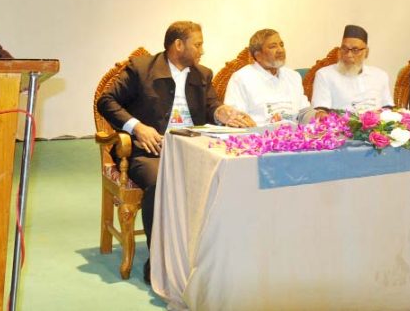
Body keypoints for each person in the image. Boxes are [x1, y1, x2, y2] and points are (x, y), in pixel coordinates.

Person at [96, 20, 252, 284]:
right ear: (178, 45)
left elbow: (212, 105)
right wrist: (137, 128)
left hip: (192, 150)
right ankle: (158, 259)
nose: (203, 50)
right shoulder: (141, 69)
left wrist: (220, 112)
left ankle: (204, 255)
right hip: (150, 151)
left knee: (226, 175)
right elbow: (106, 101)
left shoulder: (202, 74)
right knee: (159, 183)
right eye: (198, 44)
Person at [224, 29, 316, 126]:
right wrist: (266, 126)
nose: (280, 50)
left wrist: (317, 116)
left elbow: (303, 113)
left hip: (294, 136)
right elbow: (236, 120)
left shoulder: (293, 76)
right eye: (273, 47)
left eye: (281, 45)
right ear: (258, 55)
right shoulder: (241, 78)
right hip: (258, 137)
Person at [312, 24, 393, 112]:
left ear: (366, 52)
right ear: (339, 51)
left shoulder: (380, 75)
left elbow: (388, 107)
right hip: (342, 124)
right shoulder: (325, 75)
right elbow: (321, 111)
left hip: (379, 124)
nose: (349, 55)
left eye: (355, 50)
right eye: (345, 49)